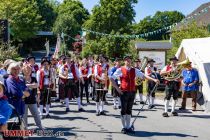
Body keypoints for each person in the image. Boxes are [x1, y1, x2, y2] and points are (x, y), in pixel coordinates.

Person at [110, 55, 159, 134]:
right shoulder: (120, 69)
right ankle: (123, 127)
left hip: (132, 92)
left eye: (129, 60)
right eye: (127, 60)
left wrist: (153, 79)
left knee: (129, 110)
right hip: (124, 92)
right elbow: (111, 78)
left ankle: (128, 126)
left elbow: (144, 76)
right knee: (123, 110)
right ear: (124, 61)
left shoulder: (134, 70)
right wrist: (117, 89)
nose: (128, 62)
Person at [22, 64, 43, 129]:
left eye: (29, 70)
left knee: (36, 114)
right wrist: (31, 85)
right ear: (23, 70)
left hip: (32, 100)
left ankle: (40, 127)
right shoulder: (21, 79)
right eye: (26, 69)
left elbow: (36, 85)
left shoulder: (33, 78)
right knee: (24, 116)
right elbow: (21, 87)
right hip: (24, 101)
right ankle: (25, 129)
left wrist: (27, 85)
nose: (28, 71)